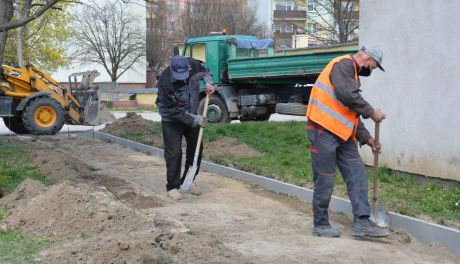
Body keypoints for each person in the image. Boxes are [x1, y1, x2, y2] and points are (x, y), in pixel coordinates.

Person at [306, 46, 390, 238]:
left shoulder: (353, 75)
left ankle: (362, 222)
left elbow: (350, 114)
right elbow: (347, 95)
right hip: (322, 129)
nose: (371, 70)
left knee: (357, 173)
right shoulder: (343, 65)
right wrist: (371, 112)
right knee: (325, 177)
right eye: (373, 66)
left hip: (343, 134)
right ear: (367, 59)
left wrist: (367, 138)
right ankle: (320, 224)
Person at [156, 55, 215, 200]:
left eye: (184, 76)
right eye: (179, 76)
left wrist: (209, 83)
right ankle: (173, 186)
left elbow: (207, 72)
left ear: (188, 68)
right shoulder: (165, 82)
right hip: (171, 119)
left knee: (196, 149)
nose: (182, 79)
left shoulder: (194, 66)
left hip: (192, 113)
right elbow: (172, 110)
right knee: (174, 153)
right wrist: (196, 120)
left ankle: (188, 181)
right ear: (172, 70)